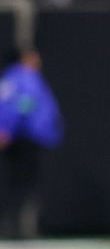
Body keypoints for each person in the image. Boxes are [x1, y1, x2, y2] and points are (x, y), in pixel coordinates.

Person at [0, 48, 63, 239]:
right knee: (23, 183)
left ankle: (13, 226)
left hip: (20, 136)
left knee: (17, 182)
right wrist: (7, 130)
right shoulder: (25, 77)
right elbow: (22, 104)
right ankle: (14, 227)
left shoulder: (9, 78)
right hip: (26, 136)